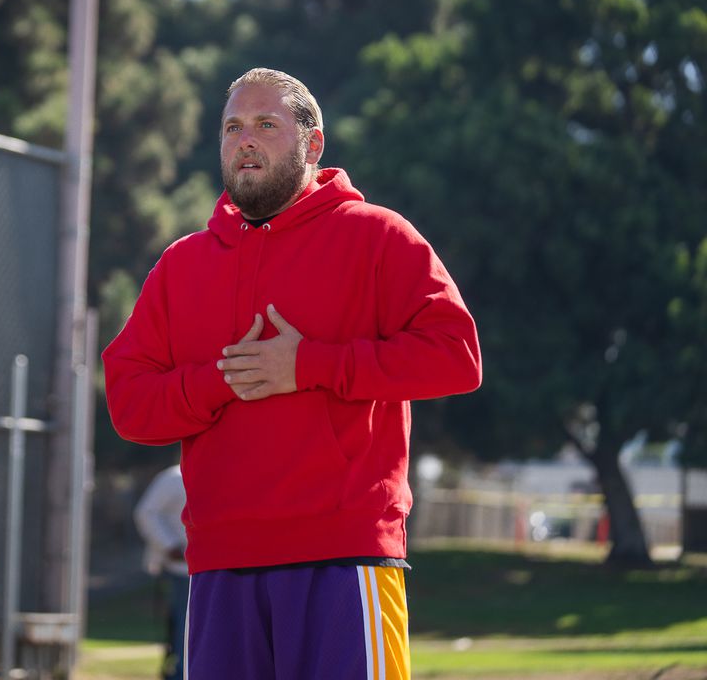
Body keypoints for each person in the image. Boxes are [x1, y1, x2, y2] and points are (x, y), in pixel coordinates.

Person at [103, 68, 481, 679]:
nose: (244, 139)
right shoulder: (181, 265)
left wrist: (309, 365)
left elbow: (456, 355)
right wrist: (221, 379)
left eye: (265, 125)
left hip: (345, 557)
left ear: (313, 144)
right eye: (232, 127)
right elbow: (129, 403)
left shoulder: (379, 237)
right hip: (220, 565)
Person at [133, 463, 190, 680]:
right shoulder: (174, 477)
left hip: (209, 568)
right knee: (184, 628)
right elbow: (146, 512)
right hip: (181, 569)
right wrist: (169, 545)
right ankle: (179, 673)